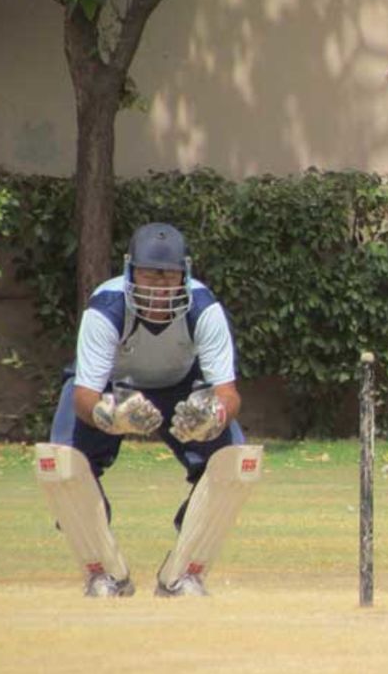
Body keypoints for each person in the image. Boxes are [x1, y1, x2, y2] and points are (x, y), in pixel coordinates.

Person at [46, 222, 249, 597]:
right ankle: (105, 573)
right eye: (148, 274)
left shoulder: (205, 308)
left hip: (180, 386)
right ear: (129, 271)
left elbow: (229, 393)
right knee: (60, 466)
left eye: (168, 275)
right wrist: (110, 414)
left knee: (238, 464)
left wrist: (215, 415)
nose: (157, 286)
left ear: (183, 275)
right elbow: (84, 394)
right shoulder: (106, 307)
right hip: (109, 387)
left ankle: (183, 573)